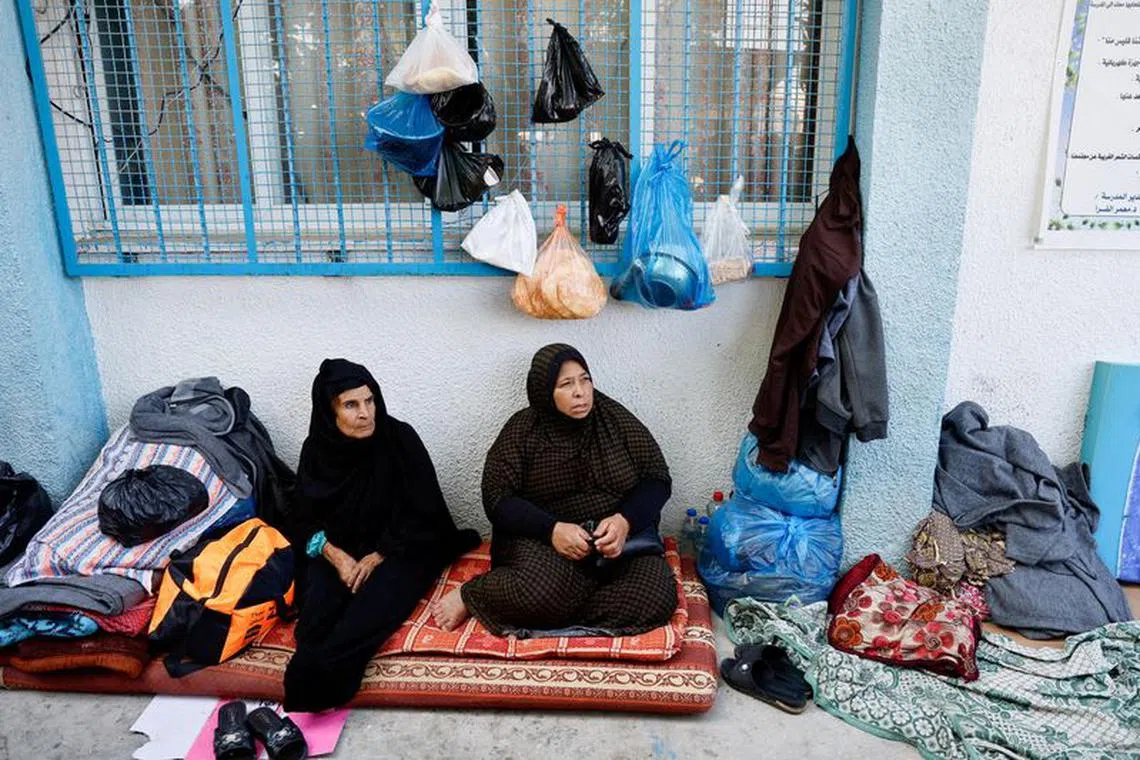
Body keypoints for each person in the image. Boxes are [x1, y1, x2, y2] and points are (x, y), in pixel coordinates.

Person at [431, 344, 677, 636]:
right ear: (545, 391)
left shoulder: (613, 418)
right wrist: (552, 530)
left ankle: (554, 613)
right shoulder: (523, 430)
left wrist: (625, 521)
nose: (580, 392)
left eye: (585, 379)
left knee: (655, 595)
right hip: (544, 544)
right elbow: (497, 499)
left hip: (614, 544)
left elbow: (657, 478)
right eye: (566, 384)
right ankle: (473, 594)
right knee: (541, 591)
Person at [283, 359, 479, 712]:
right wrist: (336, 555)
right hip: (339, 547)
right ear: (330, 411)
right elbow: (303, 519)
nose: (365, 413)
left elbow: (426, 510)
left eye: (370, 401)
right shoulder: (317, 450)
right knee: (317, 612)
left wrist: (380, 553)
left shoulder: (399, 439)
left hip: (404, 544)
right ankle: (312, 668)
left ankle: (317, 678)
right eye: (351, 404)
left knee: (372, 610)